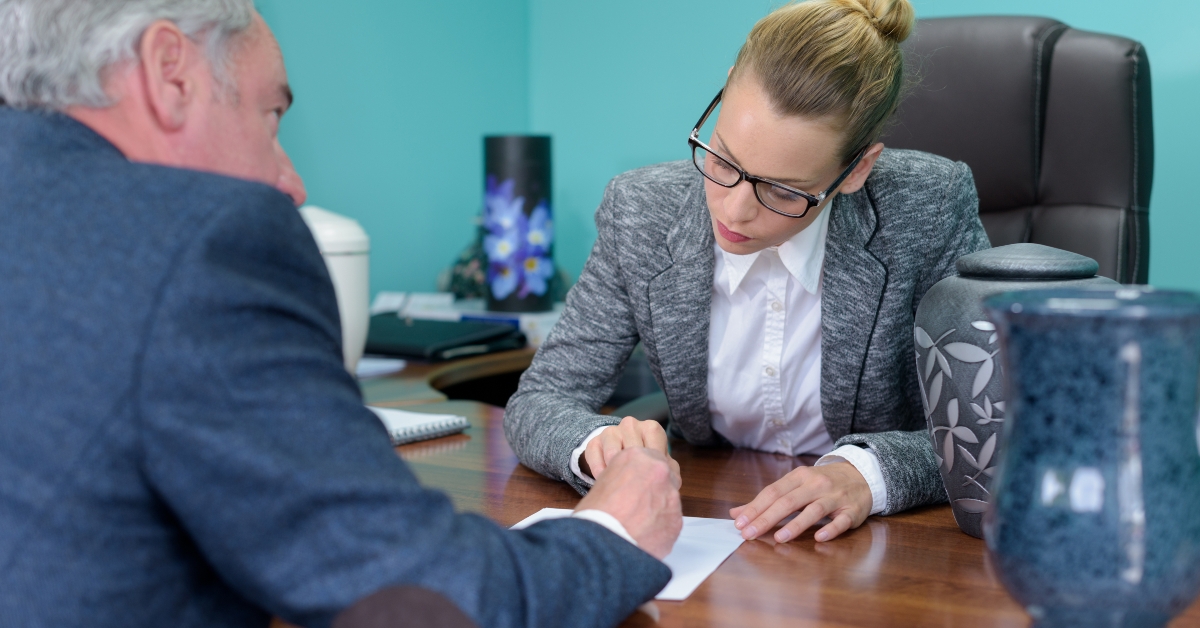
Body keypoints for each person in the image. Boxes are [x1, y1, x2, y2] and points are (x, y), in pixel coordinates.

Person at [0, 2, 683, 627]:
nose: (290, 182)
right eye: (272, 115)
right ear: (169, 73)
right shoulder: (203, 238)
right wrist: (611, 530)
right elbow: (415, 594)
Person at [505, 0, 990, 545]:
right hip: (711, 520)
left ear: (856, 170)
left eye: (783, 191)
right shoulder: (640, 211)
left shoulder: (926, 207)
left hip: (875, 551)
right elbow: (540, 400)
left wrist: (868, 475)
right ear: (725, 92)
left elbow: (987, 428)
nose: (733, 211)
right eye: (723, 161)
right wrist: (595, 444)